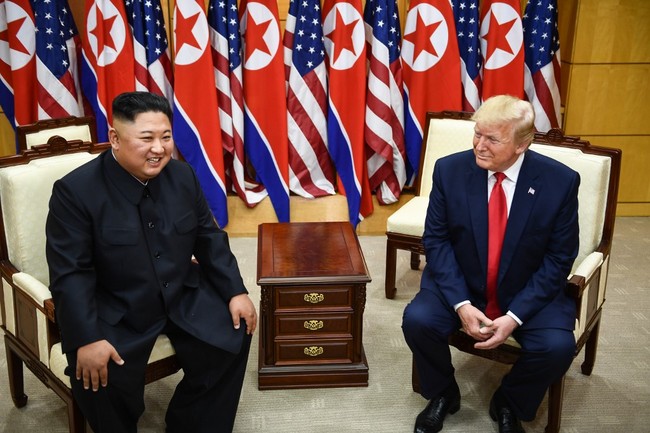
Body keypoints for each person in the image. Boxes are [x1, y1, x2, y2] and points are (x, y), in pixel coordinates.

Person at [46, 91, 257, 433]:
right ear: (115, 138)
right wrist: (85, 338)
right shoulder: (75, 192)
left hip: (180, 292)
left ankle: (191, 423)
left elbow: (208, 237)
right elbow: (71, 273)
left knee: (237, 330)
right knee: (98, 377)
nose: (159, 148)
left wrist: (236, 290)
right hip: (117, 306)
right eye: (146, 138)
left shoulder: (183, 176)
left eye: (166, 136)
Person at [402, 95, 580, 433]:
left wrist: (514, 317)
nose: (479, 146)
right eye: (477, 134)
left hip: (525, 290)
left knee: (558, 349)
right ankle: (443, 393)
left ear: (521, 144)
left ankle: (509, 401)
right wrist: (462, 304)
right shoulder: (450, 170)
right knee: (418, 320)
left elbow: (559, 259)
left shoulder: (559, 182)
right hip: (464, 284)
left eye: (492, 139)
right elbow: (436, 241)